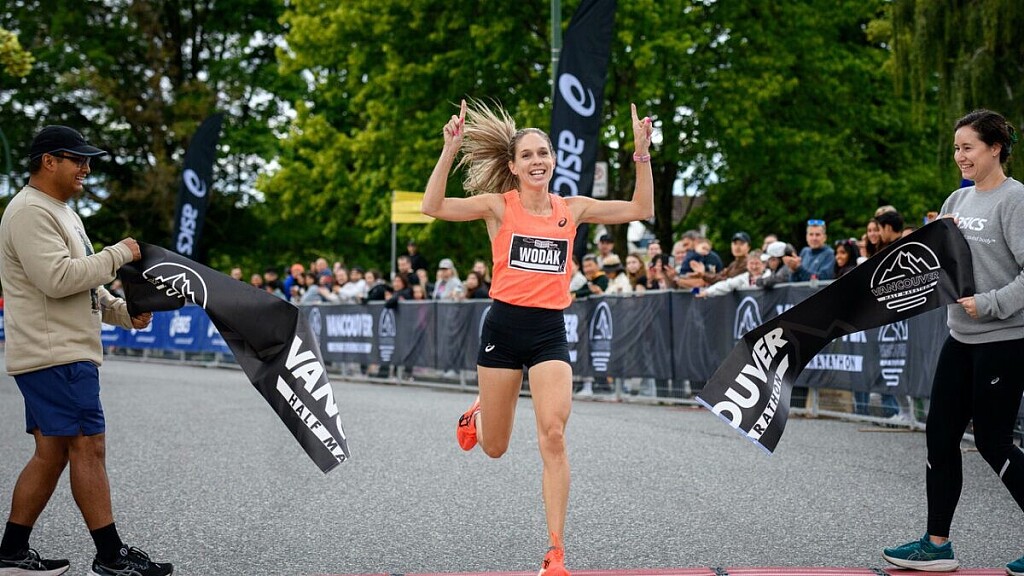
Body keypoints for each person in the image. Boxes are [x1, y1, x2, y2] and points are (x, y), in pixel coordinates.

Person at [422, 98, 653, 576]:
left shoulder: (573, 209)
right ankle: (479, 413)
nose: (536, 161)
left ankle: (556, 551)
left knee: (553, 433)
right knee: (495, 448)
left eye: (543, 153)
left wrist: (641, 152)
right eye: (526, 155)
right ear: (512, 166)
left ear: (554, 160)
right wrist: (449, 150)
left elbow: (642, 207)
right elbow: (433, 206)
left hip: (549, 332)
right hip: (502, 332)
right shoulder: (497, 207)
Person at [0, 125, 172, 575]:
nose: (87, 168)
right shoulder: (29, 212)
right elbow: (58, 279)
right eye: (77, 159)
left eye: (87, 160)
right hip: (56, 354)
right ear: (48, 161)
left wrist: (122, 312)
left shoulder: (59, 211)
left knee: (52, 453)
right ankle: (111, 556)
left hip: (55, 352)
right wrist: (119, 252)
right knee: (88, 446)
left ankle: (11, 552)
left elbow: (86, 284)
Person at [882, 109, 1024, 575]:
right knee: (940, 436)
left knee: (993, 442)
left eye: (968, 147)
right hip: (960, 337)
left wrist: (990, 303)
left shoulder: (1015, 199)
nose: (960, 156)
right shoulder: (957, 199)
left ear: (995, 148)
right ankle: (936, 545)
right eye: (956, 148)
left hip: (1005, 338)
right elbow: (939, 263)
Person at [698, 249, 767, 298]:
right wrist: (707, 292)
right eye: (751, 263)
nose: (754, 267)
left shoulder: (769, 277)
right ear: (747, 265)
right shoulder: (743, 278)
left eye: (757, 263)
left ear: (764, 264)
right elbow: (727, 284)